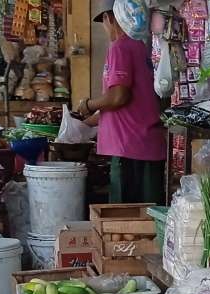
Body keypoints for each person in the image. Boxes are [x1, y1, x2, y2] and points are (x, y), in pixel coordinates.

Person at [76, 0, 166, 204]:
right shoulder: (141, 47)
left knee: (123, 218)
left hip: (129, 147)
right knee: (148, 218)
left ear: (109, 18)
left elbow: (119, 97)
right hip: (145, 144)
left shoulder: (120, 46)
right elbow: (129, 102)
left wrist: (88, 104)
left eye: (104, 23)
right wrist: (83, 123)